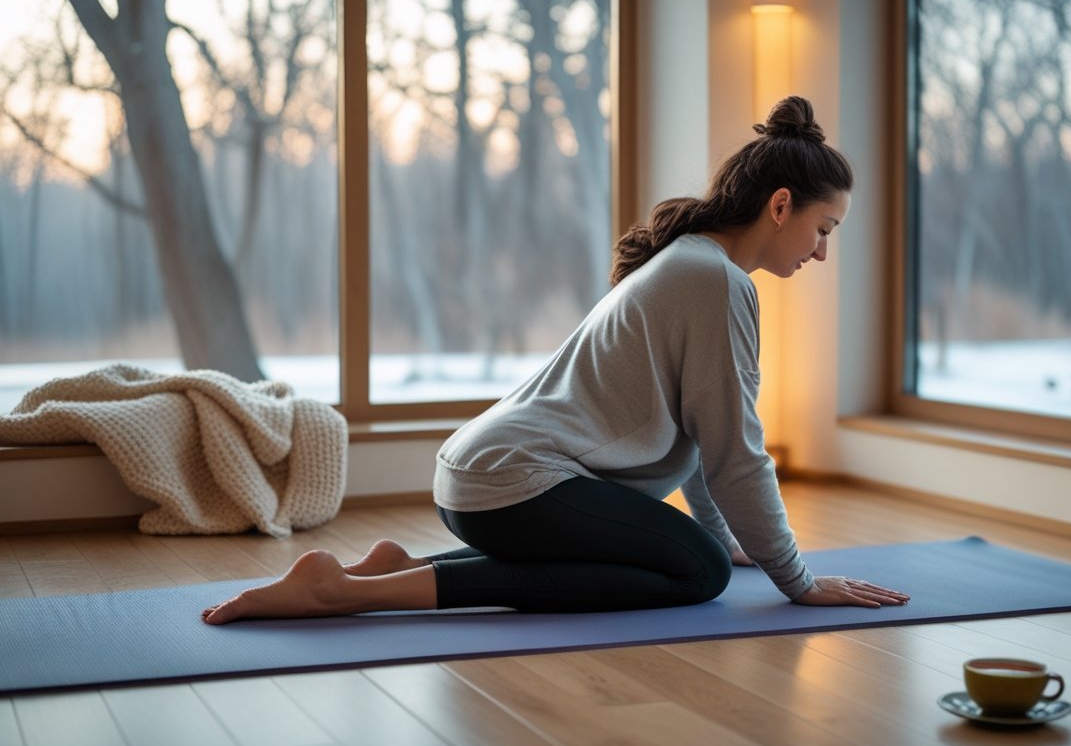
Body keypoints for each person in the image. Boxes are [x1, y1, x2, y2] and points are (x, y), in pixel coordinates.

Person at [202, 96, 909, 625]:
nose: (821, 252)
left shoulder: (697, 267)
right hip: (515, 485)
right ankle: (350, 593)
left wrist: (731, 540)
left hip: (487, 481)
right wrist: (798, 579)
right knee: (696, 572)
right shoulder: (712, 280)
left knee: (702, 556)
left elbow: (699, 438)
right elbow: (736, 451)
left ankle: (399, 566)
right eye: (824, 230)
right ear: (781, 206)